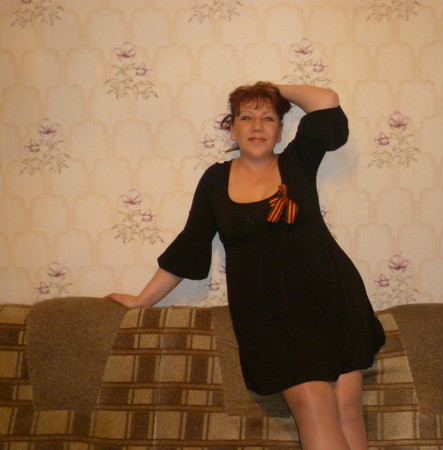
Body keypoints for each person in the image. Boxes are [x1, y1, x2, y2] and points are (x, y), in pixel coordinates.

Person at [108, 82, 385, 450]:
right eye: (246, 117)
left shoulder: (297, 161)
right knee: (314, 405)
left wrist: (273, 89)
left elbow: (327, 102)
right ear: (232, 129)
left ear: (281, 131)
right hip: (271, 318)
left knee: (346, 409)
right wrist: (142, 300)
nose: (257, 126)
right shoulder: (216, 180)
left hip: (331, 299)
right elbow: (190, 244)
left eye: (268, 118)